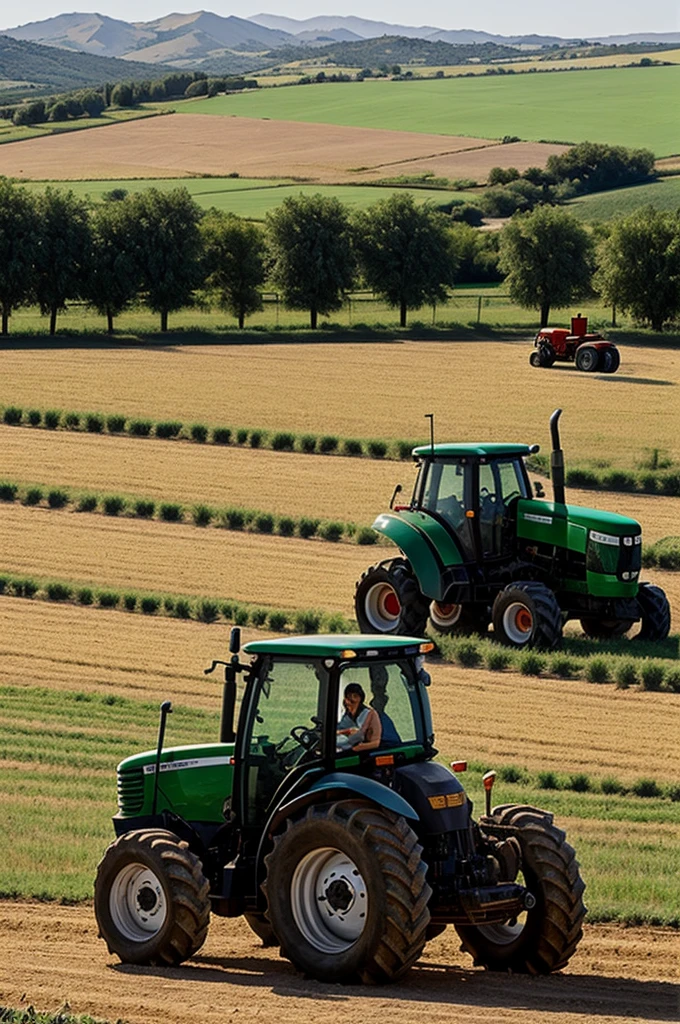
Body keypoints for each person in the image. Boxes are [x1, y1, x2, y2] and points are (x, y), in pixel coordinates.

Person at [337, 682, 382, 752]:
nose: (351, 699)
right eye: (349, 696)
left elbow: (374, 742)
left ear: (360, 698)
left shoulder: (370, 714)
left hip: (359, 752)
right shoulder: (347, 715)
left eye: (355, 696)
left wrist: (356, 749)